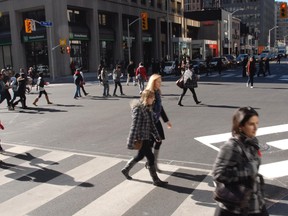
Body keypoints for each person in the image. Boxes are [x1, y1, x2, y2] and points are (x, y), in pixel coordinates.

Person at [212, 107, 269, 216]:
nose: (255, 127)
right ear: (241, 126)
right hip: (234, 207)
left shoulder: (253, 143)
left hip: (255, 202)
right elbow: (218, 174)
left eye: (257, 123)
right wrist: (247, 170)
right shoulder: (231, 146)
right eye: (251, 124)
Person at [121, 89, 168, 187]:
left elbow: (152, 124)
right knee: (150, 157)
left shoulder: (148, 108)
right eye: (152, 97)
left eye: (154, 97)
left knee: (140, 156)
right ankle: (155, 180)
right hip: (140, 138)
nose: (154, 99)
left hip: (146, 137)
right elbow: (135, 126)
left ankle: (126, 170)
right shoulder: (139, 109)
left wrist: (157, 136)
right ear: (146, 98)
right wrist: (130, 142)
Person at [145, 74, 172, 172]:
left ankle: (151, 162)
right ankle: (152, 163)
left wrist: (166, 121)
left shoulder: (157, 92)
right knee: (154, 142)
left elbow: (160, 108)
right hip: (150, 122)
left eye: (161, 81)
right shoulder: (150, 93)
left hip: (156, 121)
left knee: (155, 142)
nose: (160, 83)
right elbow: (145, 109)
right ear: (153, 82)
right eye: (158, 81)